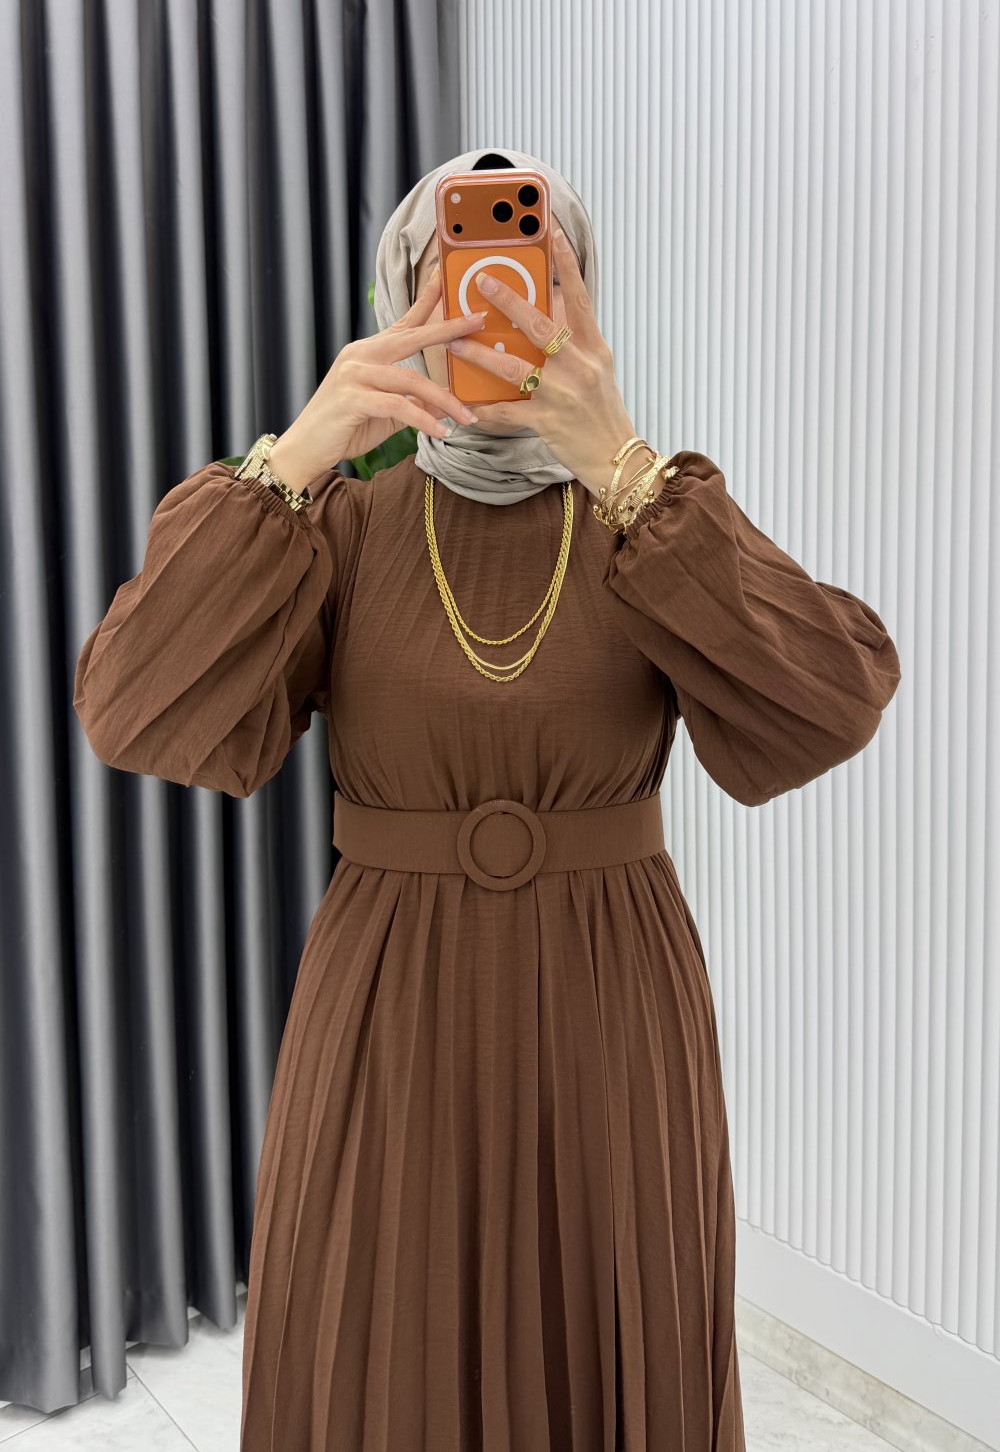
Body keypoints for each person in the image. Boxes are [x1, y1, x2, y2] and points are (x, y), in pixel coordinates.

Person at [73, 145, 901, 1451]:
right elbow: (133, 705)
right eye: (460, 276)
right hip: (387, 1009)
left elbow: (832, 702)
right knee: (381, 1344)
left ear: (586, 304)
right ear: (405, 296)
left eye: (539, 278)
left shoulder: (647, 522)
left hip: (612, 1010)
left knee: (608, 1319)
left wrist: (626, 465)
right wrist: (302, 452)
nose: (501, 308)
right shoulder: (342, 527)